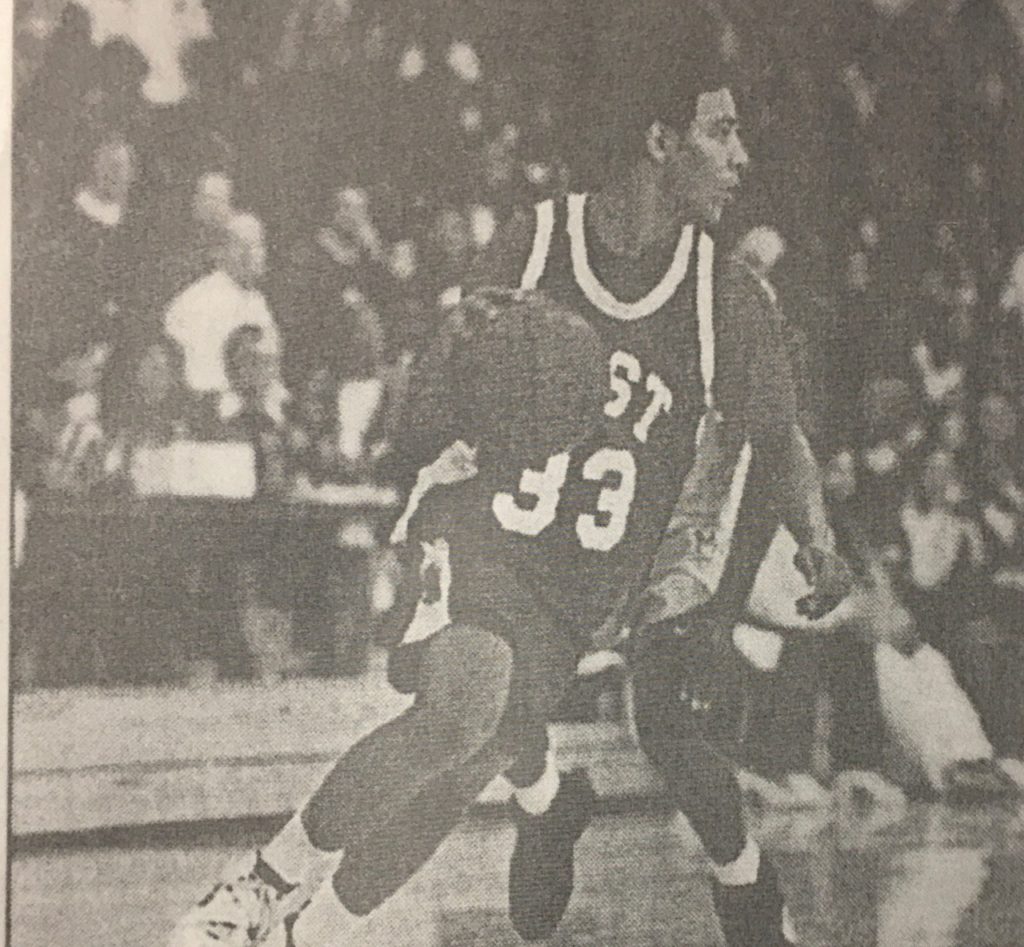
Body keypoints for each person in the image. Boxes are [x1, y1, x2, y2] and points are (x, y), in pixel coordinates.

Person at [169, 9, 847, 947]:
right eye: (720, 131)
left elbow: (780, 434)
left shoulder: (721, 295)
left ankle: (341, 910)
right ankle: (256, 889)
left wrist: (817, 535)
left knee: (464, 751)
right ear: (659, 140)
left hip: (586, 572)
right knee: (465, 703)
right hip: (482, 521)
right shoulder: (534, 244)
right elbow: (447, 374)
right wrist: (447, 425)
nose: (740, 157)